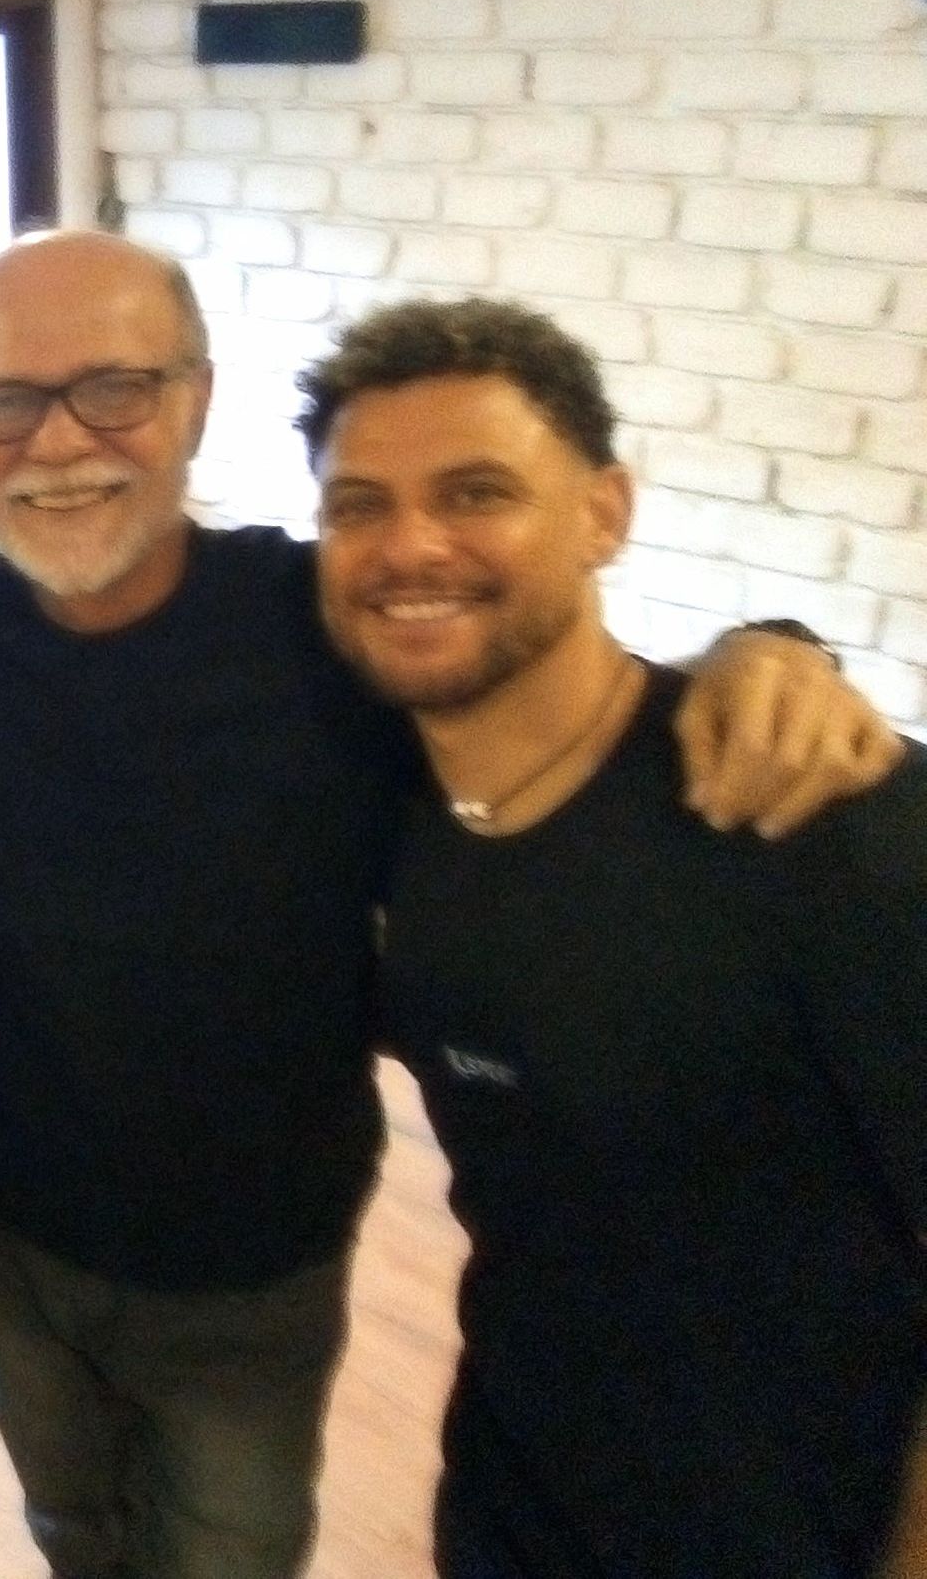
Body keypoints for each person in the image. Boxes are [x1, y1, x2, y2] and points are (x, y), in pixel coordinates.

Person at [0, 227, 903, 1579]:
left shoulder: (318, 627)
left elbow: (545, 685)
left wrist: (769, 649)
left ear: (196, 399)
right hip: (19, 1238)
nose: (58, 439)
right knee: (72, 1528)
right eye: (3, 400)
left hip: (255, 1270)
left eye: (114, 387)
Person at [300, 296, 927, 1579]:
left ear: (604, 513)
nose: (409, 545)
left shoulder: (814, 810)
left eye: (476, 491)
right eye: (359, 504)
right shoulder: (382, 813)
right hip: (512, 1509)